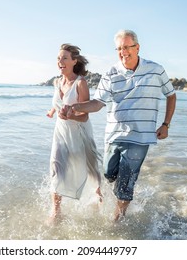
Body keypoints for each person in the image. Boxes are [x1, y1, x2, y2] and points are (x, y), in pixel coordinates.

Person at [64, 30, 176, 222]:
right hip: (114, 135)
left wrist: (166, 124)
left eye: (127, 47)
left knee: (125, 183)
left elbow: (171, 95)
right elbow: (98, 103)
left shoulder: (156, 69)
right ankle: (122, 195)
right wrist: (76, 107)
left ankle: (118, 219)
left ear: (137, 47)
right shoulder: (111, 73)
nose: (123, 52)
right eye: (119, 48)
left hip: (141, 137)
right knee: (109, 174)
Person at [47, 43, 103, 224]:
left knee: (92, 170)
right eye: (58, 58)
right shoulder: (57, 82)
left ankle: (99, 198)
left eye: (64, 58)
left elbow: (85, 115)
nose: (60, 61)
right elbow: (59, 102)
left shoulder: (81, 83)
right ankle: (56, 212)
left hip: (80, 134)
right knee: (56, 168)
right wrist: (53, 111)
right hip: (61, 134)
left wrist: (71, 114)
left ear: (74, 61)